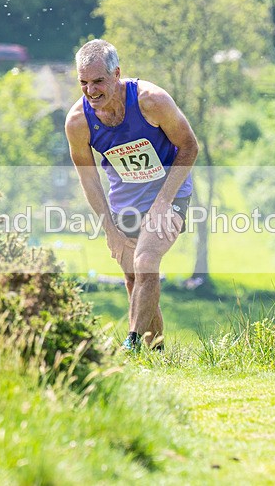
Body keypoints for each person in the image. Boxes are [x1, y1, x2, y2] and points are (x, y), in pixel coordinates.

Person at [64, 39, 198, 351]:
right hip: (124, 201)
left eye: (98, 81)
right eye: (83, 83)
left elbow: (190, 146)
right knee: (134, 279)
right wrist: (109, 228)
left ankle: (132, 343)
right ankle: (156, 354)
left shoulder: (152, 101)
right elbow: (88, 177)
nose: (91, 91)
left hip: (170, 191)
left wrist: (163, 202)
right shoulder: (78, 122)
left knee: (146, 262)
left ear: (116, 74)